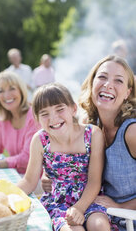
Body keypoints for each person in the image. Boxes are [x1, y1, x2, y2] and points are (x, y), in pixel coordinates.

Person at [17, 82, 110, 231]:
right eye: (44, 114)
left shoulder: (92, 134)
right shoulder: (40, 141)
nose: (53, 118)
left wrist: (79, 208)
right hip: (58, 203)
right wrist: (3, 195)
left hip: (90, 198)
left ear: (73, 109)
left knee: (99, 225)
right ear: (37, 118)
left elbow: (94, 181)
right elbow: (29, 181)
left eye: (59, 109)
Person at [79, 55, 136, 231]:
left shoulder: (132, 132)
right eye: (102, 77)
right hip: (100, 212)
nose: (108, 84)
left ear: (127, 93)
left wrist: (121, 207)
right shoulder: (89, 124)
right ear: (92, 83)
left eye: (118, 81)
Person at [0, 71, 38, 174]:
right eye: (1, 91)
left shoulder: (34, 117)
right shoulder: (2, 120)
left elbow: (27, 158)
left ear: (21, 91)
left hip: (36, 179)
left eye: (12, 88)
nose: (7, 95)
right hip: (15, 174)